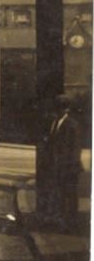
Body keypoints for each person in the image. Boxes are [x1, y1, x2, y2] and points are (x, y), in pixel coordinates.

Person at [47, 94, 82, 229]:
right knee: (60, 195)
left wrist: (68, 166)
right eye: (57, 108)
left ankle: (72, 223)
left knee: (70, 196)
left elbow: (75, 149)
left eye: (60, 108)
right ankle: (61, 221)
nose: (57, 111)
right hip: (57, 166)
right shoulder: (55, 122)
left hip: (69, 167)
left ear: (66, 109)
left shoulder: (72, 124)